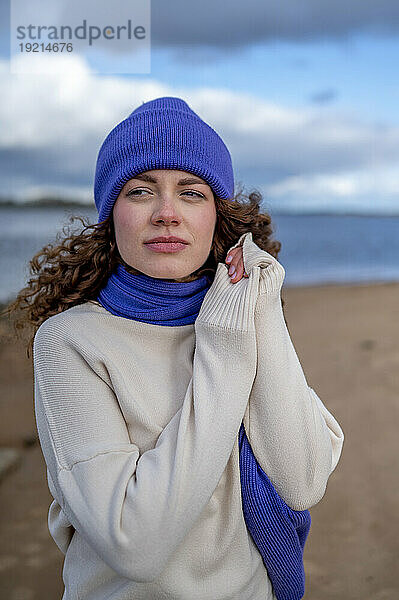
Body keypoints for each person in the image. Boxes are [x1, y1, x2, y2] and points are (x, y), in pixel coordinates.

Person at [5, 96, 344, 600]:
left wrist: (262, 308)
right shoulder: (71, 341)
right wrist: (225, 352)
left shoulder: (239, 309)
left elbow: (304, 479)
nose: (167, 214)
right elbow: (133, 543)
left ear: (217, 215)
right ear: (111, 215)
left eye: (191, 193)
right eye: (141, 192)